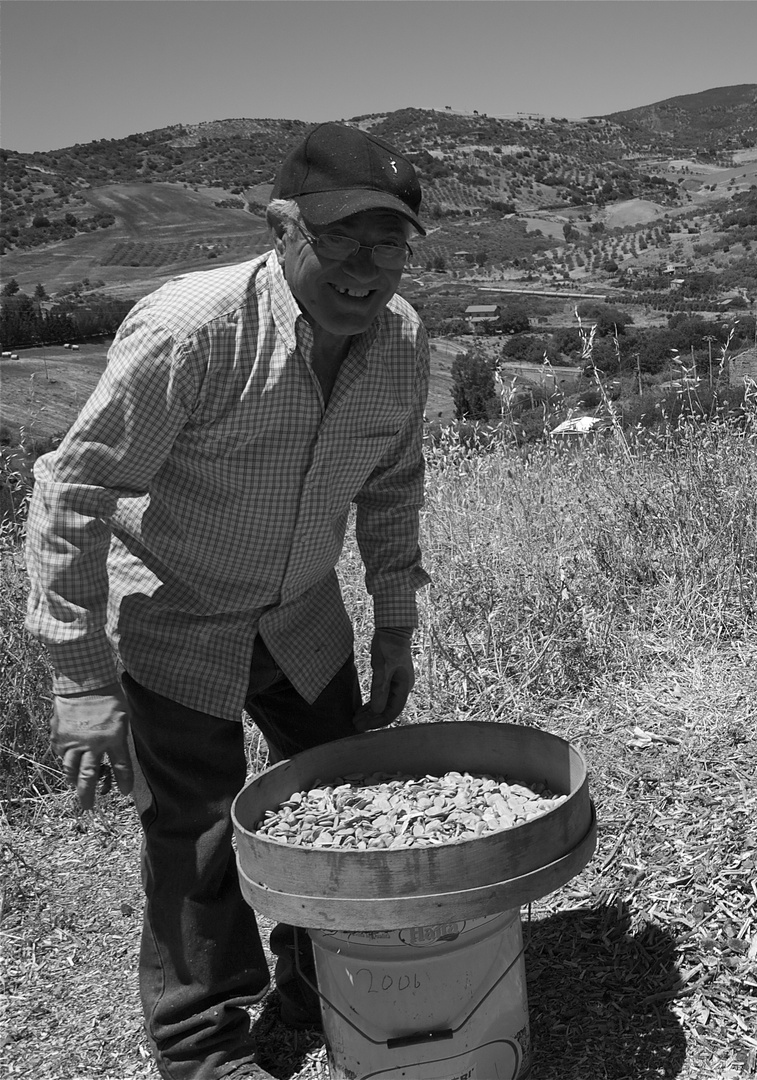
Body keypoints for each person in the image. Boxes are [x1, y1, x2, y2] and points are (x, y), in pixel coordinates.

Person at [25, 122, 432, 1080]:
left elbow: (394, 483)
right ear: (283, 225)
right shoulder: (195, 332)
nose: (366, 268)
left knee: (334, 801)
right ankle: (201, 1042)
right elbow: (71, 490)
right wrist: (81, 683)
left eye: (390, 240)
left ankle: (318, 978)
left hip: (301, 613)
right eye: (340, 237)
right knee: (197, 832)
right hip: (178, 616)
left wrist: (396, 618)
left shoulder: (403, 340)